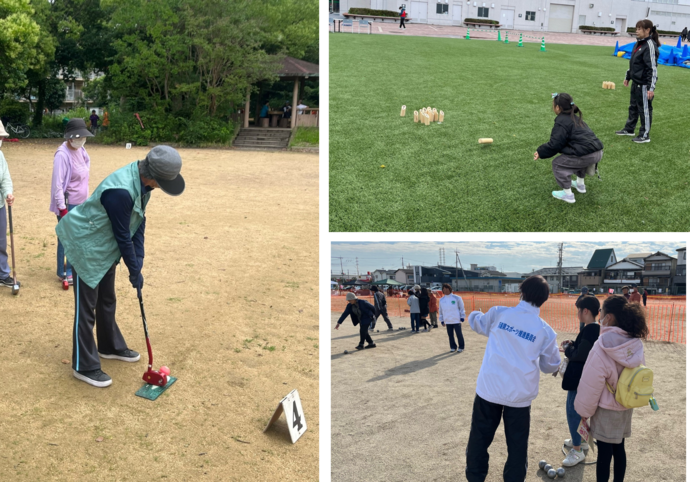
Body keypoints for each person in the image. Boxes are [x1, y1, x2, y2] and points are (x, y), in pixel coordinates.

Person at [56, 145, 185, 387]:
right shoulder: (121, 192)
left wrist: (139, 262)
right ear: (153, 175)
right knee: (86, 307)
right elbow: (123, 235)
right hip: (86, 244)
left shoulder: (144, 184)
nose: (162, 187)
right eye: (163, 182)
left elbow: (139, 221)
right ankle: (84, 366)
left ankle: (109, 346)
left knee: (107, 298)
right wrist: (133, 268)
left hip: (104, 245)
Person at [464, 275, 561, 482]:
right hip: (520, 394)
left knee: (479, 440)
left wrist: (475, 313)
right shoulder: (545, 331)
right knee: (517, 447)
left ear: (522, 292)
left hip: (489, 389)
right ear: (544, 299)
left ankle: (475, 478)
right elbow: (550, 365)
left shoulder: (499, 313)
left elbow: (478, 324)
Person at [574, 295, 648, 482]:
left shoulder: (602, 346)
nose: (600, 316)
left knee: (604, 453)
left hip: (606, 409)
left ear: (609, 317)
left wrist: (583, 412)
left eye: (603, 313)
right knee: (620, 448)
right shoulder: (635, 343)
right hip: (626, 405)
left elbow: (591, 384)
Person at [535, 92, 604, 204]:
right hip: (598, 152)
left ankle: (568, 195)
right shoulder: (575, 118)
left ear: (557, 107)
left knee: (557, 164)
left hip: (587, 154)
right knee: (578, 158)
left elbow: (555, 144)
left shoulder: (561, 121)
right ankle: (580, 185)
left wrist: (540, 151)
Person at [51, 119, 94, 286]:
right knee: (66, 238)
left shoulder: (81, 149)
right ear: (70, 138)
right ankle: (64, 271)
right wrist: (62, 210)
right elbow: (57, 185)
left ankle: (73, 266)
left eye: (83, 137)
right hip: (68, 204)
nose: (82, 140)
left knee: (78, 237)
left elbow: (86, 163)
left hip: (81, 202)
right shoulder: (62, 155)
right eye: (79, 137)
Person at [560, 295, 601, 467]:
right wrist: (573, 344)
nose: (577, 313)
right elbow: (584, 349)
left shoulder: (591, 329)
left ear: (585, 311)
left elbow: (580, 355)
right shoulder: (594, 328)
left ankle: (577, 450)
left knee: (573, 411)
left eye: (578, 310)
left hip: (579, 378)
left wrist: (569, 349)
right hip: (584, 378)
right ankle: (581, 441)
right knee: (578, 411)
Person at [616, 19, 659, 143]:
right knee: (633, 107)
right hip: (636, 82)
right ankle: (629, 129)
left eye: (640, 29)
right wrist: (628, 76)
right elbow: (634, 63)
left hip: (645, 84)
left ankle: (644, 135)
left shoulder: (650, 45)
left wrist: (651, 88)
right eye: (637, 28)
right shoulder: (638, 43)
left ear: (647, 30)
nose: (637, 31)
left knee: (644, 109)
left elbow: (652, 68)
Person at [0, 120, 20, 289]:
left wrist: (8, 192)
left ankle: (2, 274)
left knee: (1, 241)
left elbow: (5, 177)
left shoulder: (0, 155)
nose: (1, 140)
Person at [438, 283, 465, 353]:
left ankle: (461, 347)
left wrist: (462, 316)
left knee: (459, 334)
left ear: (450, 289)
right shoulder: (441, 300)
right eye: (444, 290)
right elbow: (440, 310)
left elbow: (461, 308)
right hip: (447, 320)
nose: (446, 291)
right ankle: (453, 347)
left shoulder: (457, 298)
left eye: (447, 289)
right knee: (450, 335)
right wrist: (442, 320)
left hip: (456, 319)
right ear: (442, 291)